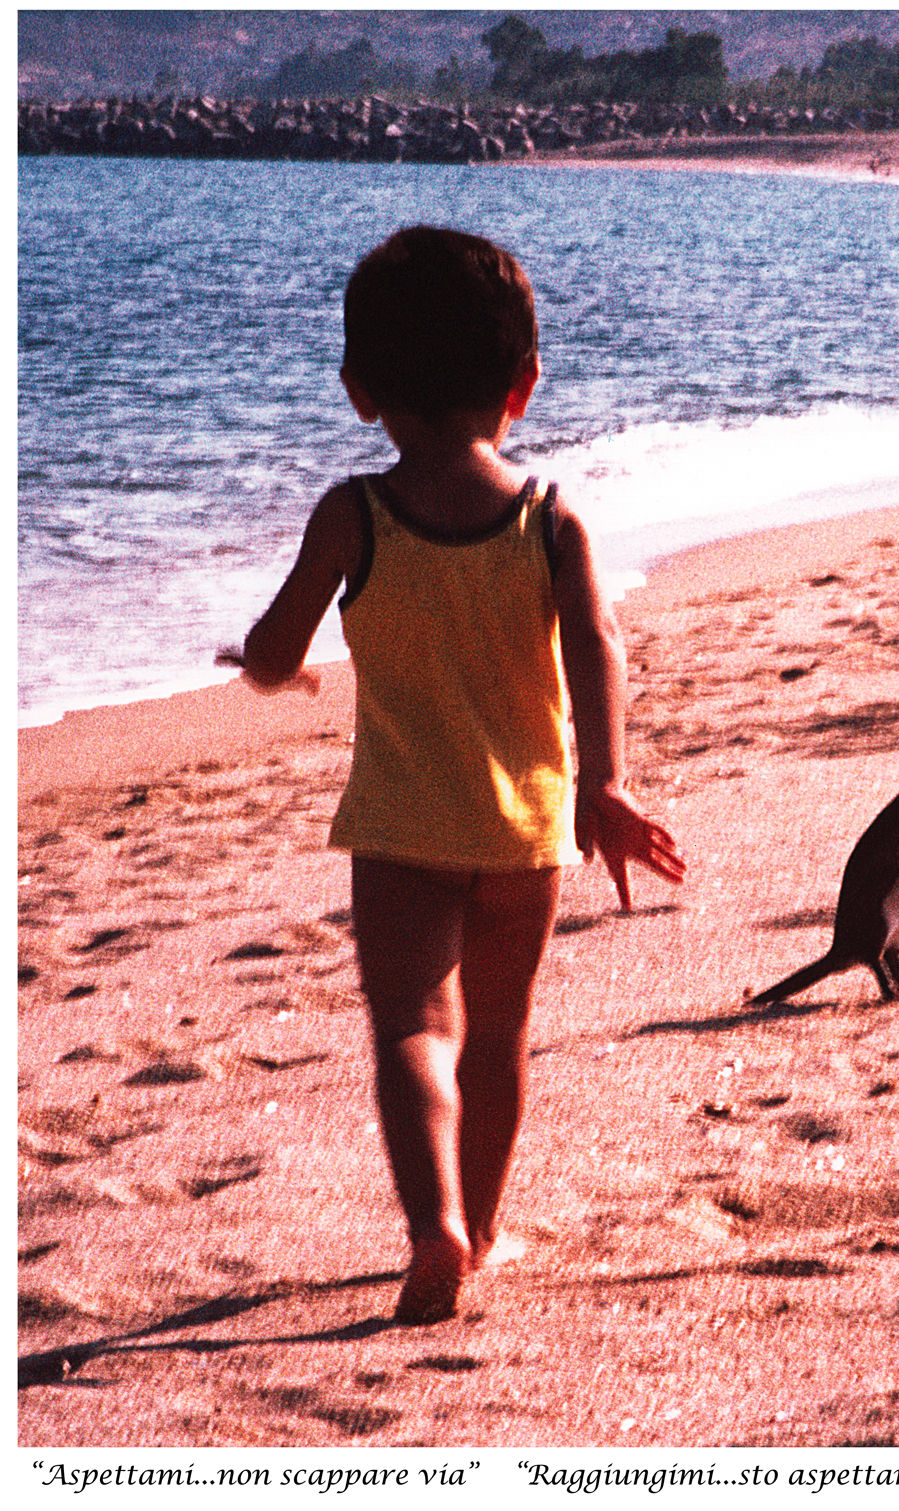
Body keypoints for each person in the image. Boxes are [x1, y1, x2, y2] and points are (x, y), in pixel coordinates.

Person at [220, 225, 686, 1324]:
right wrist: (605, 784)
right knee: (498, 1036)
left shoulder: (355, 515)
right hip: (527, 829)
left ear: (359, 391)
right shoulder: (549, 517)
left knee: (411, 1030)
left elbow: (280, 647)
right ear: (522, 386)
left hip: (398, 829)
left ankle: (428, 1221)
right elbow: (596, 649)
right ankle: (478, 1227)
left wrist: (265, 669)